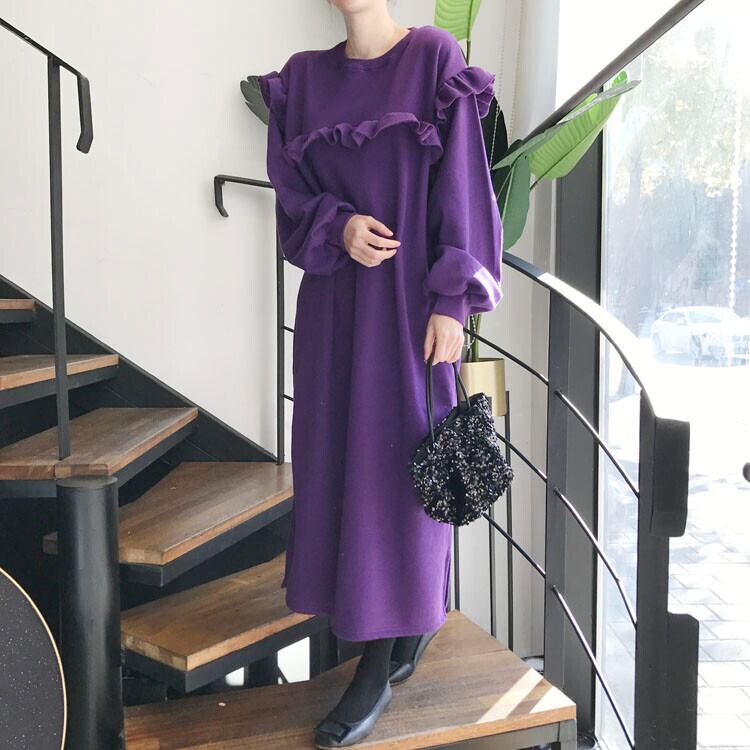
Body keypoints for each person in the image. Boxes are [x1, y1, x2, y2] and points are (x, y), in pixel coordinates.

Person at [258, 1, 503, 746]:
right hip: (334, 310)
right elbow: (290, 197)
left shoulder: (433, 58)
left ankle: (379, 658)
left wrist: (452, 304)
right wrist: (338, 224)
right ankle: (396, 631)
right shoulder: (302, 79)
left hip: (409, 308)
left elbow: (465, 186)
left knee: (404, 471)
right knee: (339, 463)